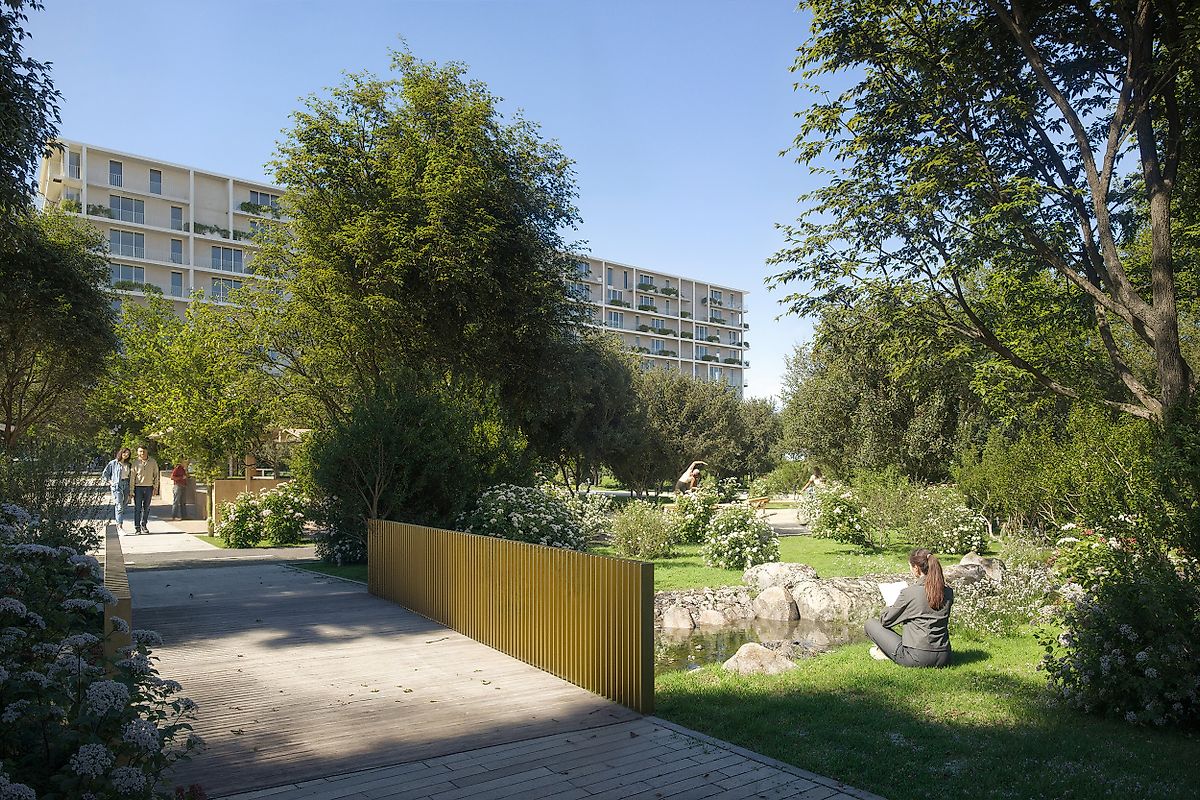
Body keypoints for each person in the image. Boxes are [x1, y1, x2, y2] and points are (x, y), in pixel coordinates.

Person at [864, 548, 953, 668]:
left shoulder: (910, 593)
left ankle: (884, 652)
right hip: (944, 656)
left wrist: (890, 605)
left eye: (910, 567)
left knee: (870, 624)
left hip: (916, 658)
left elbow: (886, 621)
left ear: (916, 568)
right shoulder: (948, 592)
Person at [100, 447, 133, 533]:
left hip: (126, 485)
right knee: (119, 506)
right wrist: (111, 482)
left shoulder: (129, 464)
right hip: (117, 486)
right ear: (121, 453)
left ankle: (118, 522)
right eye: (125, 453)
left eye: (128, 454)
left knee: (124, 505)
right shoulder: (113, 463)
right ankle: (120, 526)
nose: (126, 455)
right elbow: (105, 474)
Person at [129, 445, 159, 535]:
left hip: (149, 487)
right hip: (138, 488)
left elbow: (156, 475)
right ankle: (137, 528)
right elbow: (132, 477)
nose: (142, 453)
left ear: (147, 452)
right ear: (138, 452)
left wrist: (155, 487)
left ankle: (144, 525)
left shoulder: (153, 462)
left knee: (147, 508)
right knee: (137, 508)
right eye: (140, 451)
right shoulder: (135, 463)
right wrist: (131, 490)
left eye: (143, 451)